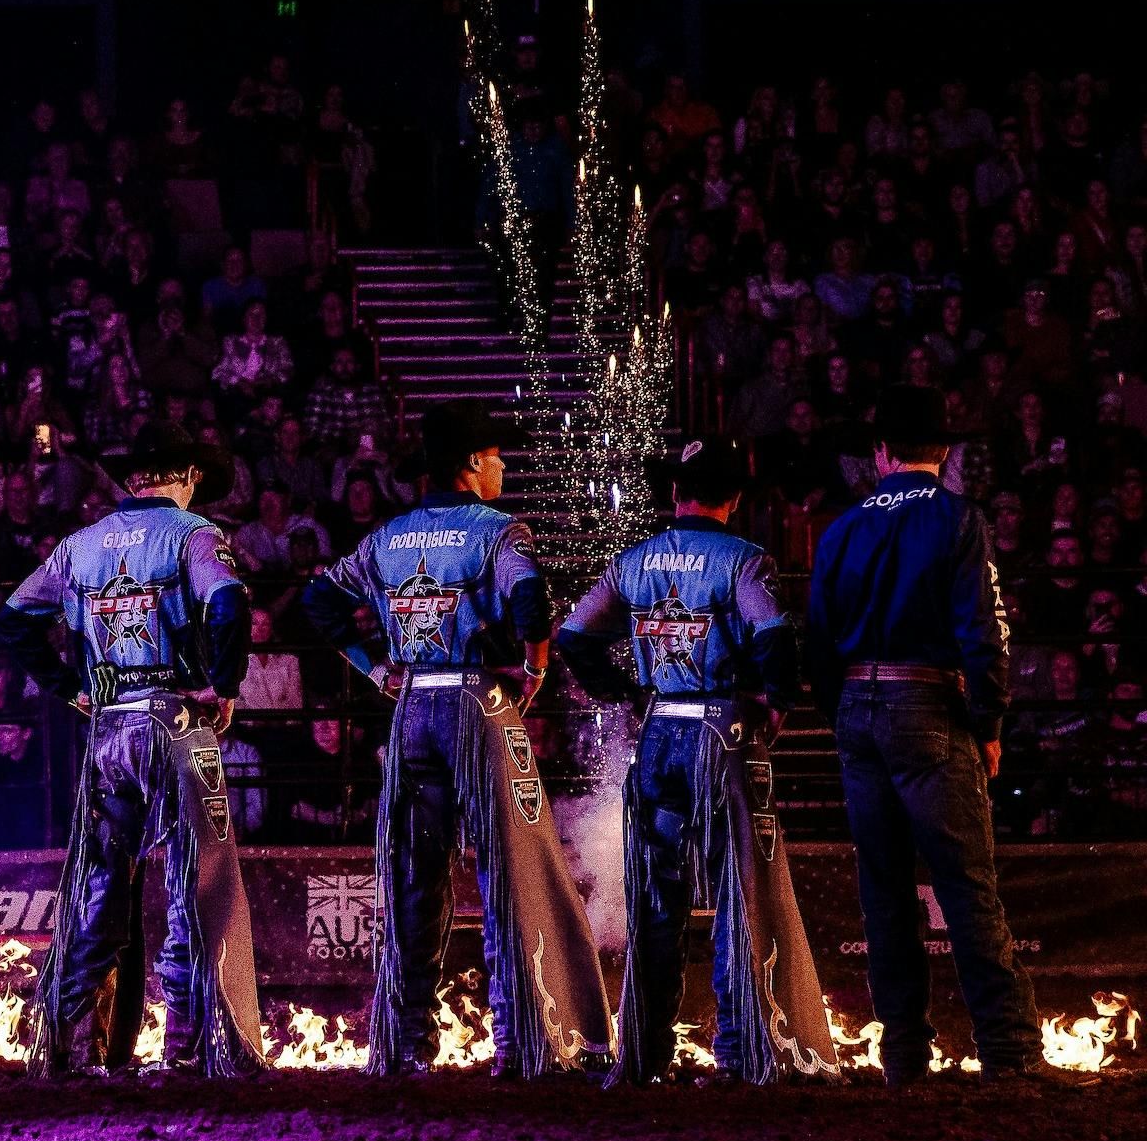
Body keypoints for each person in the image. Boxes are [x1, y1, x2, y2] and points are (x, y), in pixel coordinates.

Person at [303, 401, 611, 1078]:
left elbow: (319, 601)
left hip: (412, 704)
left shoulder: (388, 537)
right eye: (497, 454)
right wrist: (533, 669)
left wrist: (375, 668)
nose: (503, 464)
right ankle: (518, 1041)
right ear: (472, 464)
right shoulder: (499, 532)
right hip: (474, 702)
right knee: (503, 867)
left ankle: (405, 1043)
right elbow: (531, 602)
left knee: (416, 872)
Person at [557, 438, 840, 1085]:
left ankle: (645, 1057)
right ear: (734, 498)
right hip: (721, 729)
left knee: (656, 899)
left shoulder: (634, 562)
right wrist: (776, 705)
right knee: (738, 891)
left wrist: (625, 693)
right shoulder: (745, 561)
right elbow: (772, 639)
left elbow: (575, 636)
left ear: (677, 493)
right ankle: (740, 1049)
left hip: (660, 733)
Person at [0, 419, 264, 1078]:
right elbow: (229, 600)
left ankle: (60, 1047)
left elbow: (13, 618)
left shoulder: (79, 546)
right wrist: (222, 685)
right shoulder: (196, 535)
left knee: (97, 892)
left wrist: (69, 687)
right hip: (174, 720)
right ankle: (182, 1052)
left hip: (109, 727)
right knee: (188, 888)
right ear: (190, 475)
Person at [806, 385, 1048, 1084]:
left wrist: (843, 710)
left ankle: (904, 1055)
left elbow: (818, 642)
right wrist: (990, 722)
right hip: (929, 706)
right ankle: (1009, 1049)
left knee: (884, 891)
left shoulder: (842, 529)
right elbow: (983, 632)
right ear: (944, 453)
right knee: (966, 884)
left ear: (881, 454)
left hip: (859, 704)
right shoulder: (958, 520)